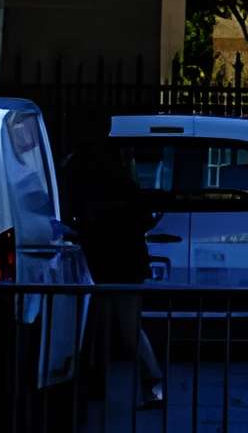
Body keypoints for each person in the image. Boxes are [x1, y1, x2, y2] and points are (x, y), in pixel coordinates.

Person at [70, 145, 163, 409]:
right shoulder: (125, 192)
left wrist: (79, 232)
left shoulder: (96, 197)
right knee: (124, 328)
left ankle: (148, 382)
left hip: (110, 267)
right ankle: (150, 384)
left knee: (115, 328)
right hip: (125, 266)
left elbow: (95, 229)